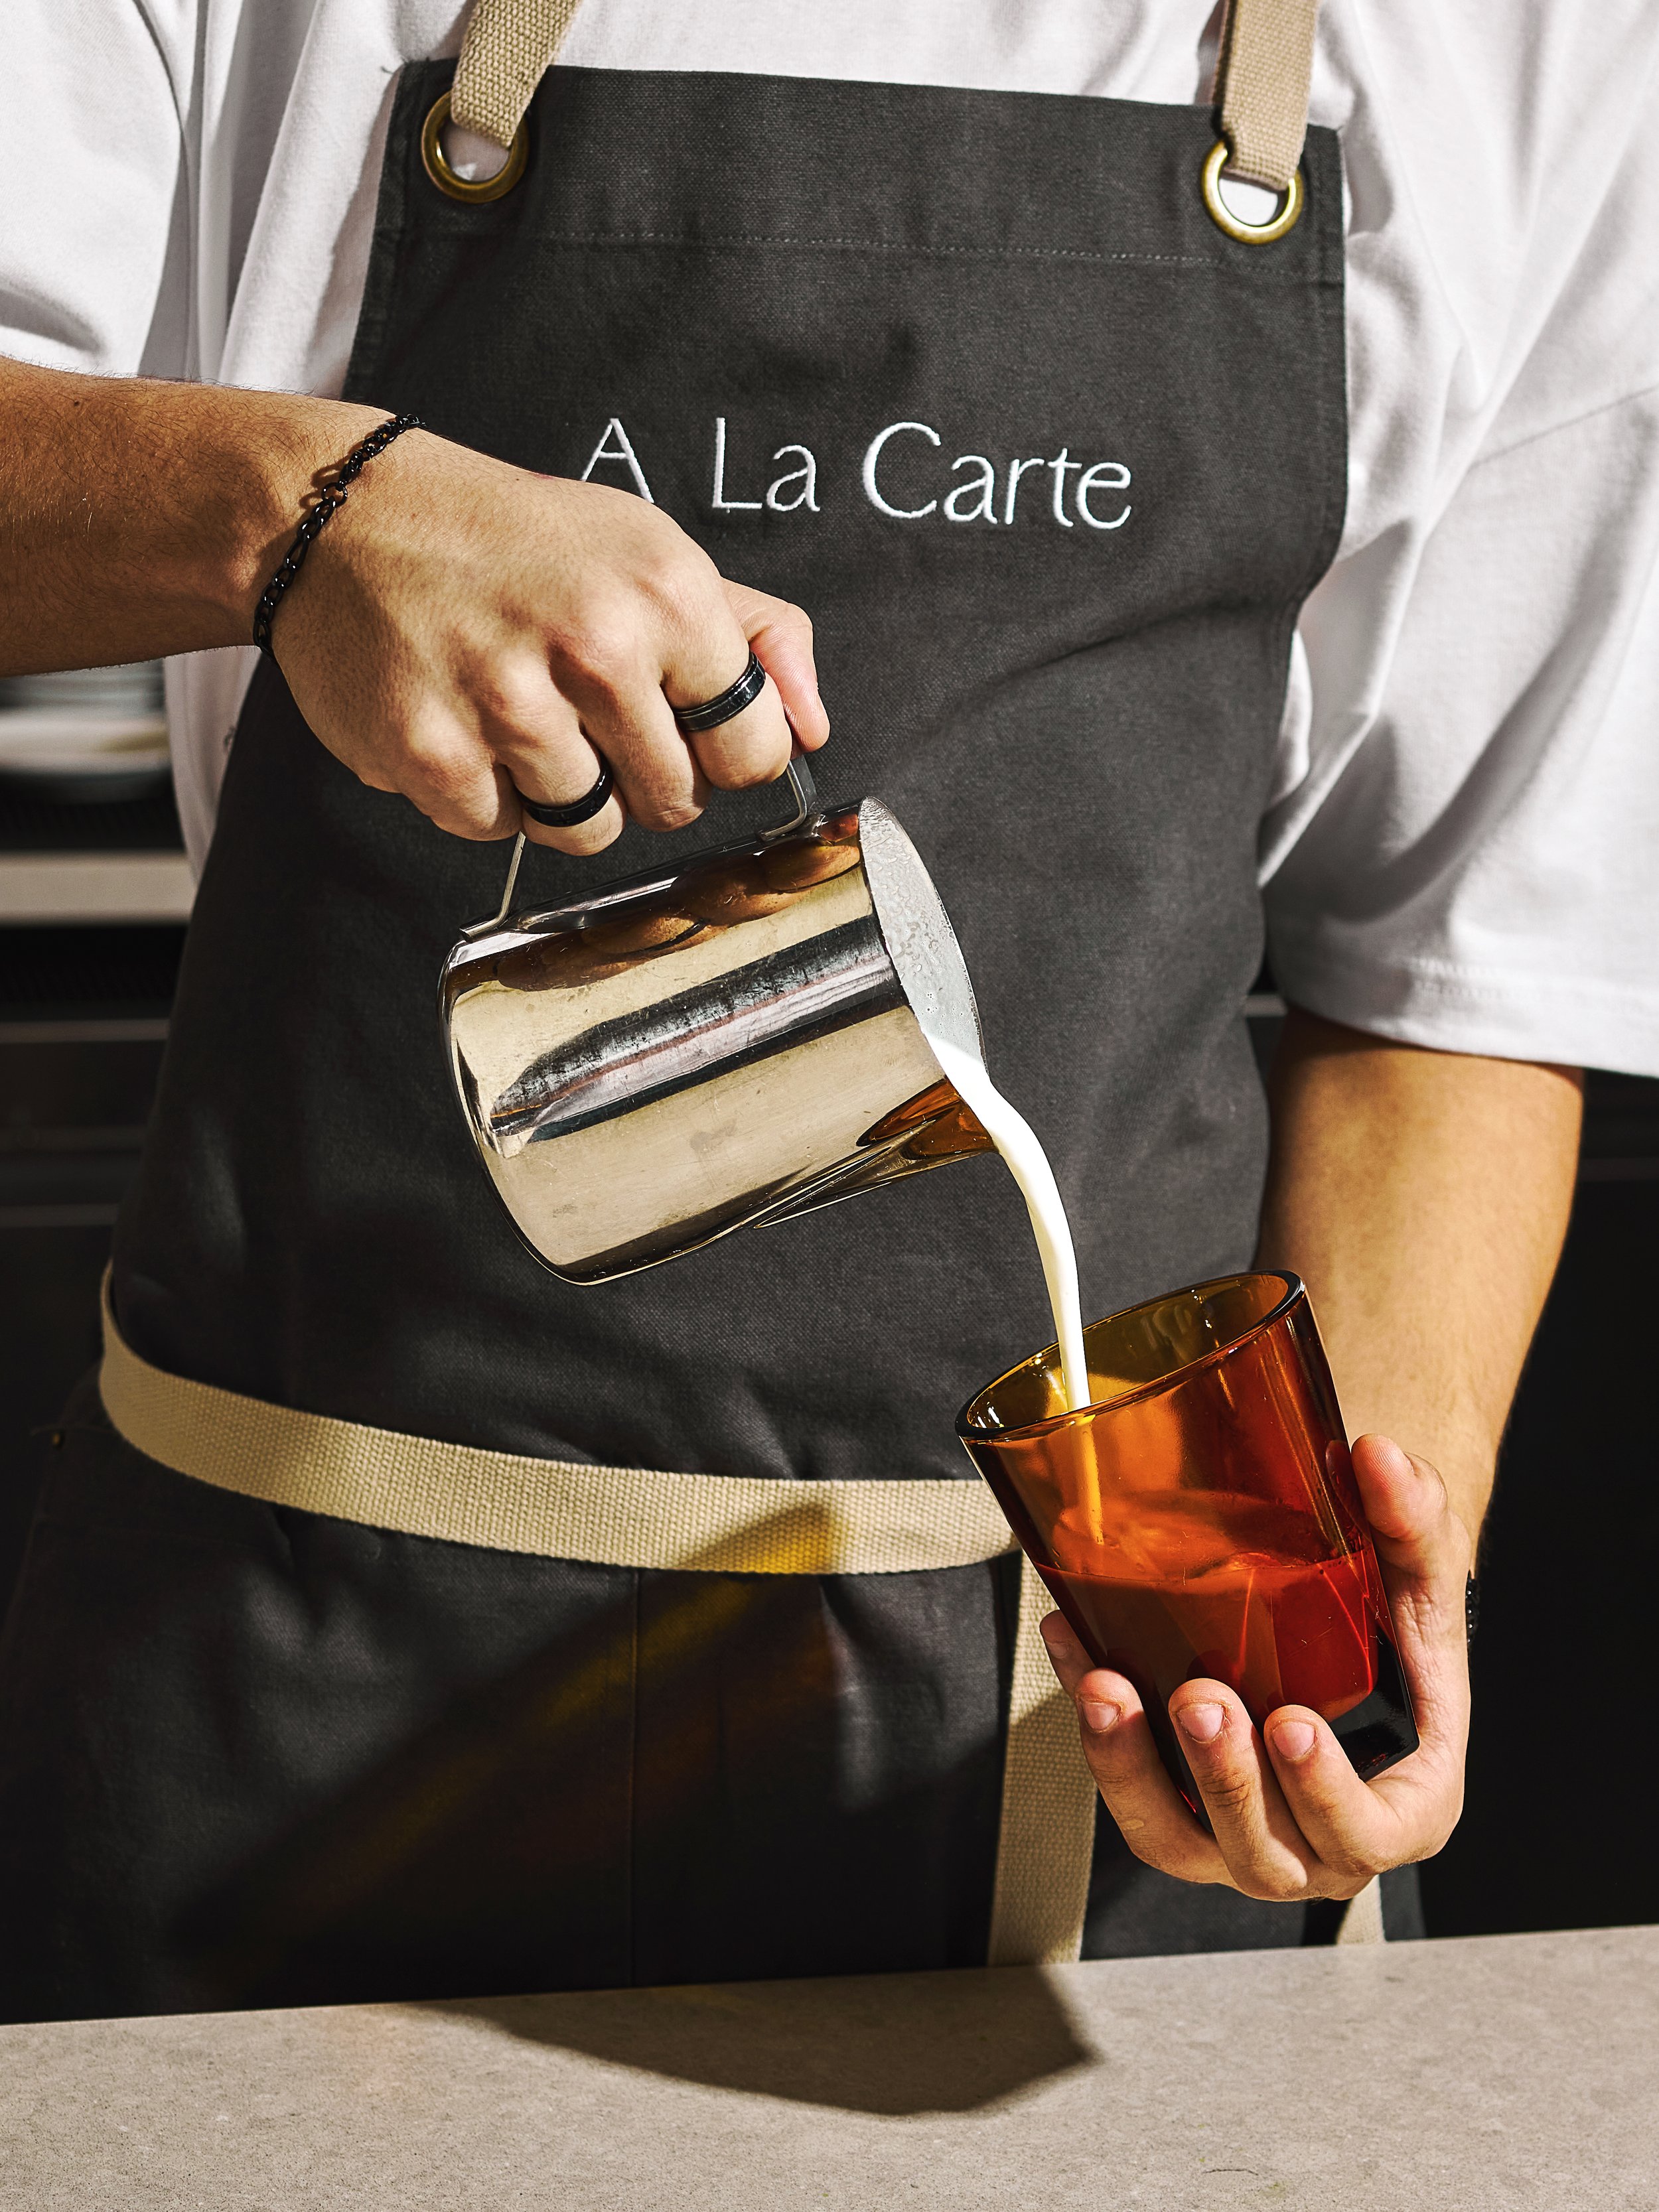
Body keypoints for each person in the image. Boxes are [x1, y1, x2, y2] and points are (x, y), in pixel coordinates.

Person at [0, 0, 1648, 2020]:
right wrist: (298, 508)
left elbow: (1450, 973)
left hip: (1066, 1795)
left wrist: (1332, 1646)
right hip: (291, 1680)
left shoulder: (1542, 45)